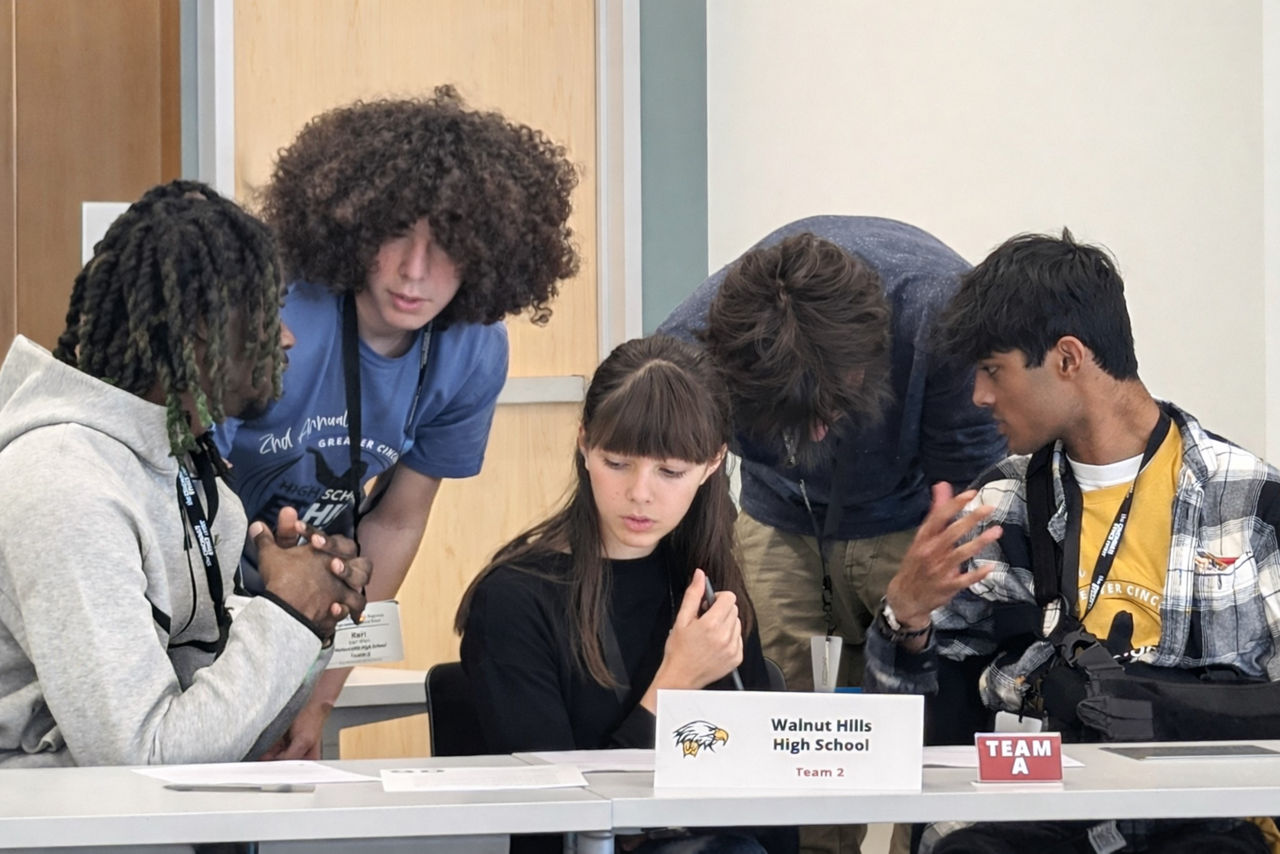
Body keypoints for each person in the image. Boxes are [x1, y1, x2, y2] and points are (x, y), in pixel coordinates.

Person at [866, 229, 1280, 853]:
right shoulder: (994, 507)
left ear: (1067, 358)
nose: (979, 397)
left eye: (992, 370)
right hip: (1029, 818)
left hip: (1200, 820)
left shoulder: (1250, 498)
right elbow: (908, 736)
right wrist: (906, 615)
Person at [215, 86, 581, 758]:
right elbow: (187, 495)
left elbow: (398, 519)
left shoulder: (474, 350)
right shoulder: (278, 309)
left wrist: (323, 693)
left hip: (306, 605)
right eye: (394, 236)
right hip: (199, 592)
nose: (415, 272)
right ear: (351, 227)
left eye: (446, 245)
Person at [660, 216, 1004, 854]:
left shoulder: (939, 313)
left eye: (834, 410)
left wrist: (924, 592)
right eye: (796, 417)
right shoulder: (692, 345)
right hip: (777, 516)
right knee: (783, 745)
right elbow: (677, 482)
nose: (818, 435)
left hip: (918, 517)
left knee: (932, 733)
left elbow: (971, 481)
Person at [0, 180, 369, 768]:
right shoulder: (65, 484)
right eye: (268, 316)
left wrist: (306, 614)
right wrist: (287, 611)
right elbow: (137, 763)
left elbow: (219, 736)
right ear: (199, 328)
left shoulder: (189, 473)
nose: (288, 338)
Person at [457, 335, 795, 854]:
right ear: (584, 444)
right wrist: (676, 681)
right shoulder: (514, 600)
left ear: (711, 465)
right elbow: (562, 824)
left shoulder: (707, 587)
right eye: (617, 462)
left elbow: (765, 798)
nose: (640, 492)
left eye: (670, 471)